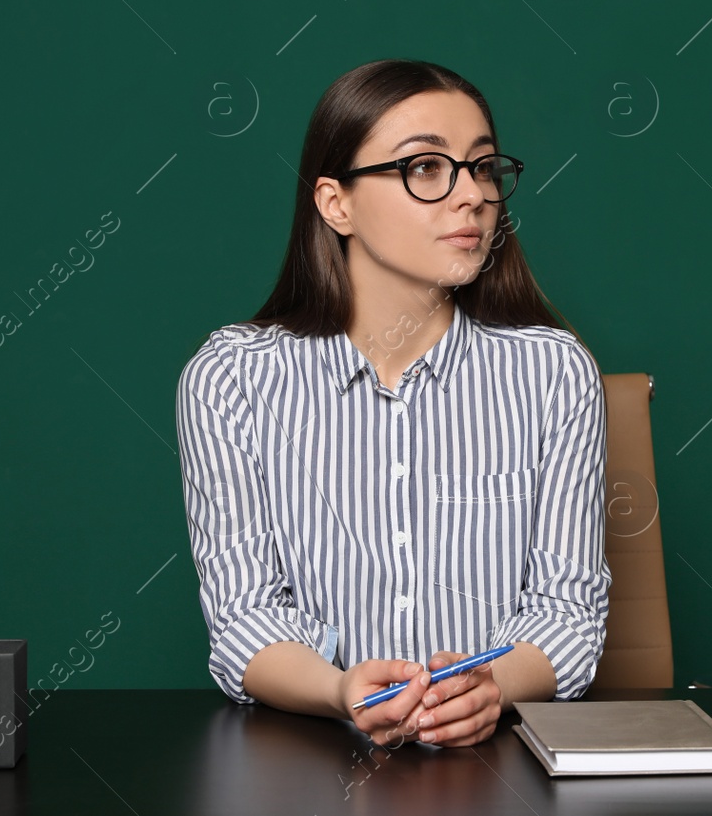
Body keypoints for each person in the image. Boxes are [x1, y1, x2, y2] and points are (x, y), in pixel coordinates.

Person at [176, 58, 611, 749]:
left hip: (499, 771)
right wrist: (340, 690)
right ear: (335, 202)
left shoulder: (554, 373)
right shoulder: (231, 378)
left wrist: (490, 687)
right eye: (426, 168)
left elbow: (568, 610)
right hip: (307, 769)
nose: (470, 195)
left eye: (481, 167)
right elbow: (245, 616)